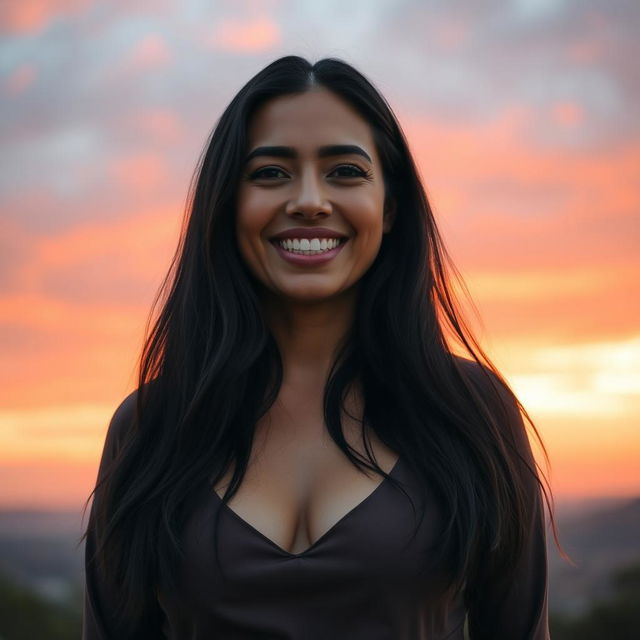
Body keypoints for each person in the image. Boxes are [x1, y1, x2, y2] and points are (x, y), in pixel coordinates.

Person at [80, 55, 556, 639]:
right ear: (228, 204)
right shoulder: (150, 425)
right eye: (271, 173)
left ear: (392, 205)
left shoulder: (473, 412)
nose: (308, 199)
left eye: (346, 172)